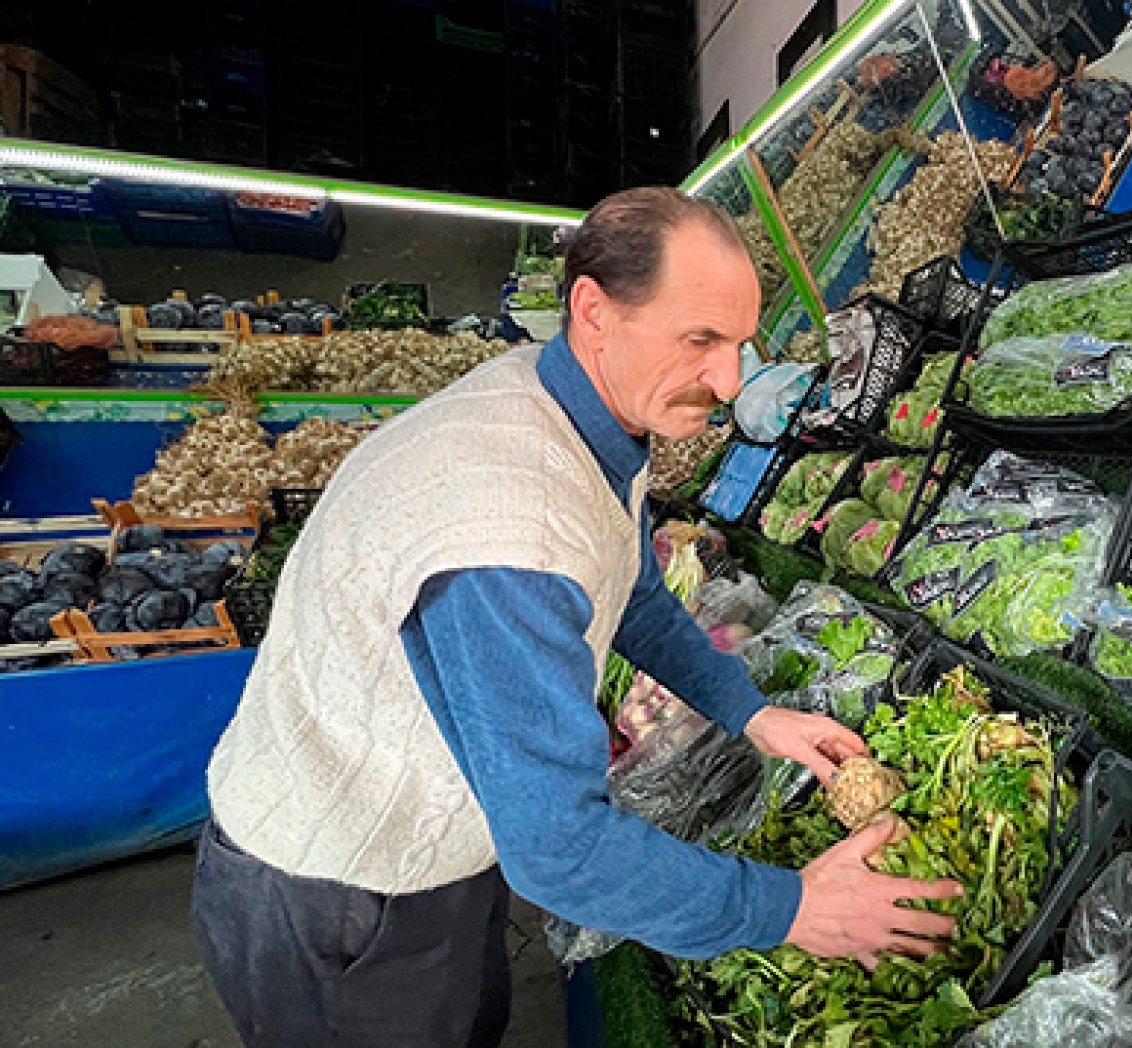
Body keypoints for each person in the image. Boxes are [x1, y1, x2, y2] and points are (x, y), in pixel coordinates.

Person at [190, 187, 965, 1047]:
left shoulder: (575, 406)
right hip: (337, 892)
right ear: (593, 311)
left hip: (436, 846)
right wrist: (794, 908)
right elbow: (557, 849)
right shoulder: (507, 529)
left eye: (741, 343)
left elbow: (627, 588)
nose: (730, 380)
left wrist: (748, 709)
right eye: (700, 340)